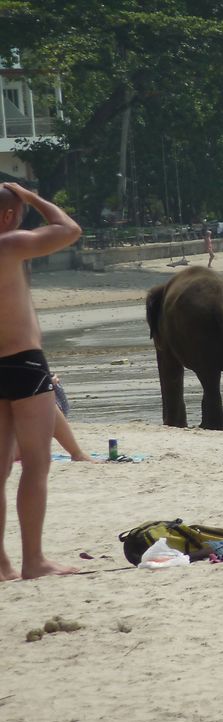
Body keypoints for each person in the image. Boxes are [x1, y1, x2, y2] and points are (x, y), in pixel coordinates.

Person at [0, 182, 82, 579]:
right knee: (36, 462)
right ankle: (34, 560)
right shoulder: (10, 243)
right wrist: (32, 198)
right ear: (8, 216)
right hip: (23, 362)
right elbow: (69, 229)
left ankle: (1, 564)